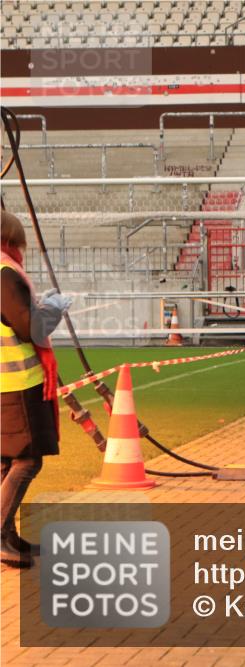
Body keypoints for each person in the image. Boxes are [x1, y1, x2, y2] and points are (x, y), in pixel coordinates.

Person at [1, 210, 71, 568]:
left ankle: (7, 535)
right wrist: (51, 310)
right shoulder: (5, 274)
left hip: (4, 383)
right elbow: (31, 329)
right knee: (27, 460)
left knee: (6, 463)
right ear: (11, 241)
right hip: (16, 383)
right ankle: (0, 534)